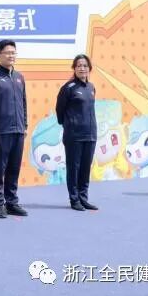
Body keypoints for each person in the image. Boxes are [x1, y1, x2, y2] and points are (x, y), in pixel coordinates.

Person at [0, 39, 28, 219]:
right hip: (1, 131)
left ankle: (12, 202)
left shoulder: (19, 77)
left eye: (13, 52)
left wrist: (24, 125)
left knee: (14, 168)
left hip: (18, 130)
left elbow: (23, 103)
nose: (11, 56)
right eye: (7, 53)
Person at [55, 54, 98, 212]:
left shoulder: (91, 87)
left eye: (85, 65)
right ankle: (74, 199)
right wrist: (69, 124)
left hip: (90, 134)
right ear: (74, 68)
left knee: (85, 168)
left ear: (89, 68)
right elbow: (59, 110)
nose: (82, 68)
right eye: (79, 65)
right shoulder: (68, 88)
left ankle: (83, 198)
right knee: (74, 168)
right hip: (74, 135)